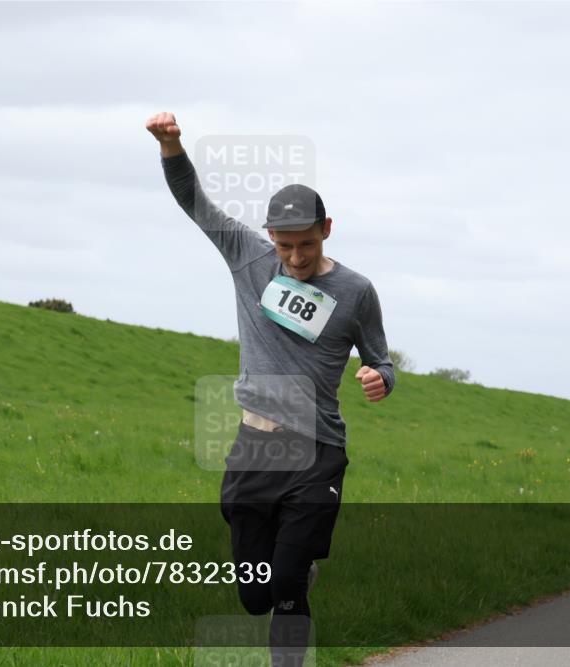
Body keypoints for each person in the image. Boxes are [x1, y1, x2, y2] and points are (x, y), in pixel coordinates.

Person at [146, 112, 395, 665]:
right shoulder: (249, 258)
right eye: (285, 246)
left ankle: (295, 588)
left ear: (326, 229)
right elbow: (195, 203)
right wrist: (171, 146)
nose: (296, 258)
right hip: (255, 448)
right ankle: (298, 573)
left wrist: (381, 378)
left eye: (306, 244)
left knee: (283, 584)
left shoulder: (356, 292)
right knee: (256, 595)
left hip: (317, 450)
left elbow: (382, 358)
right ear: (269, 237)